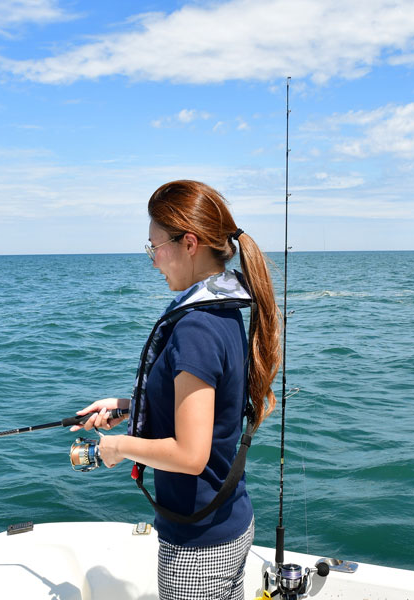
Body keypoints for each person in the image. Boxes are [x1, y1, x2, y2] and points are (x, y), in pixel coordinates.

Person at [71, 180, 281, 600]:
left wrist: (118, 447)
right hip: (229, 522)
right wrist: (134, 407)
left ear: (189, 243)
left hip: (198, 549)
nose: (153, 262)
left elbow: (190, 454)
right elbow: (209, 406)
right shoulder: (221, 314)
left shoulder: (197, 327)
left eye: (155, 248)